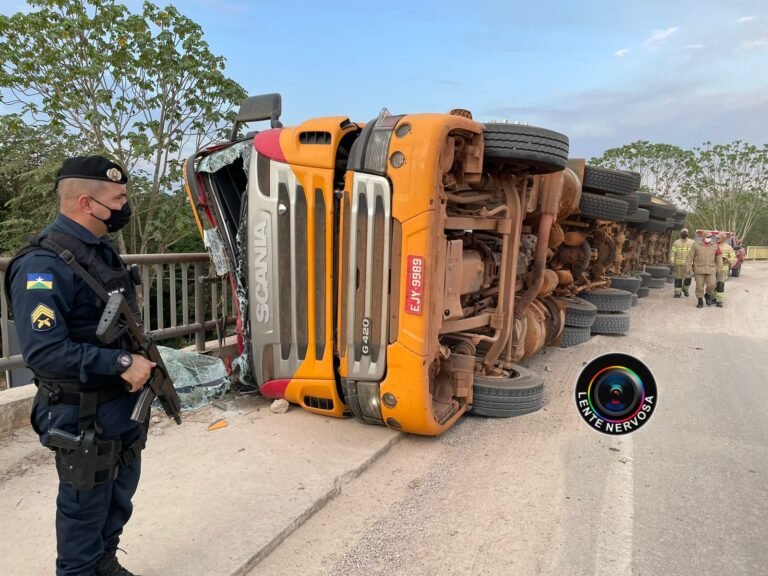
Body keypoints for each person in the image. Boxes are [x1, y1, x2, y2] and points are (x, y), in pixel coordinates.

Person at [4, 156, 154, 576]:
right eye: (119, 197)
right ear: (87, 202)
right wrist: (122, 361)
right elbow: (45, 352)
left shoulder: (101, 252)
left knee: (118, 495)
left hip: (119, 405)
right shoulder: (41, 266)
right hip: (79, 409)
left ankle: (106, 563)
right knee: (83, 510)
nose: (126, 205)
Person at [685, 231, 718, 308]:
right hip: (699, 269)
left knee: (712, 284)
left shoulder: (715, 246)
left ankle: (707, 295)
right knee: (699, 286)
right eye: (707, 237)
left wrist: (719, 267)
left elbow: (719, 258)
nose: (709, 238)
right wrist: (688, 267)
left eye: (710, 237)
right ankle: (700, 300)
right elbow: (690, 257)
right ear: (703, 237)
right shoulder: (696, 245)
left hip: (711, 269)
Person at [669, 228, 695, 298]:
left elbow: (695, 253)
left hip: (688, 265)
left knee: (688, 279)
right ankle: (677, 293)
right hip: (678, 265)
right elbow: (673, 252)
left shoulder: (692, 242)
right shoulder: (676, 242)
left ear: (688, 233)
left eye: (685, 232)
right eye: (683, 232)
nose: (684, 233)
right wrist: (672, 260)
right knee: (678, 279)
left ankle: (685, 289)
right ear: (680, 234)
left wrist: (695, 263)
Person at [714, 232, 737, 307]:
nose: (716, 239)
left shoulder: (728, 248)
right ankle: (712, 298)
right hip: (712, 269)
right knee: (711, 284)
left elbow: (734, 258)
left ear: (723, 239)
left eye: (718, 238)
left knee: (720, 284)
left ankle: (719, 301)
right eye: (716, 238)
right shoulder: (713, 246)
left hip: (723, 269)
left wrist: (727, 260)